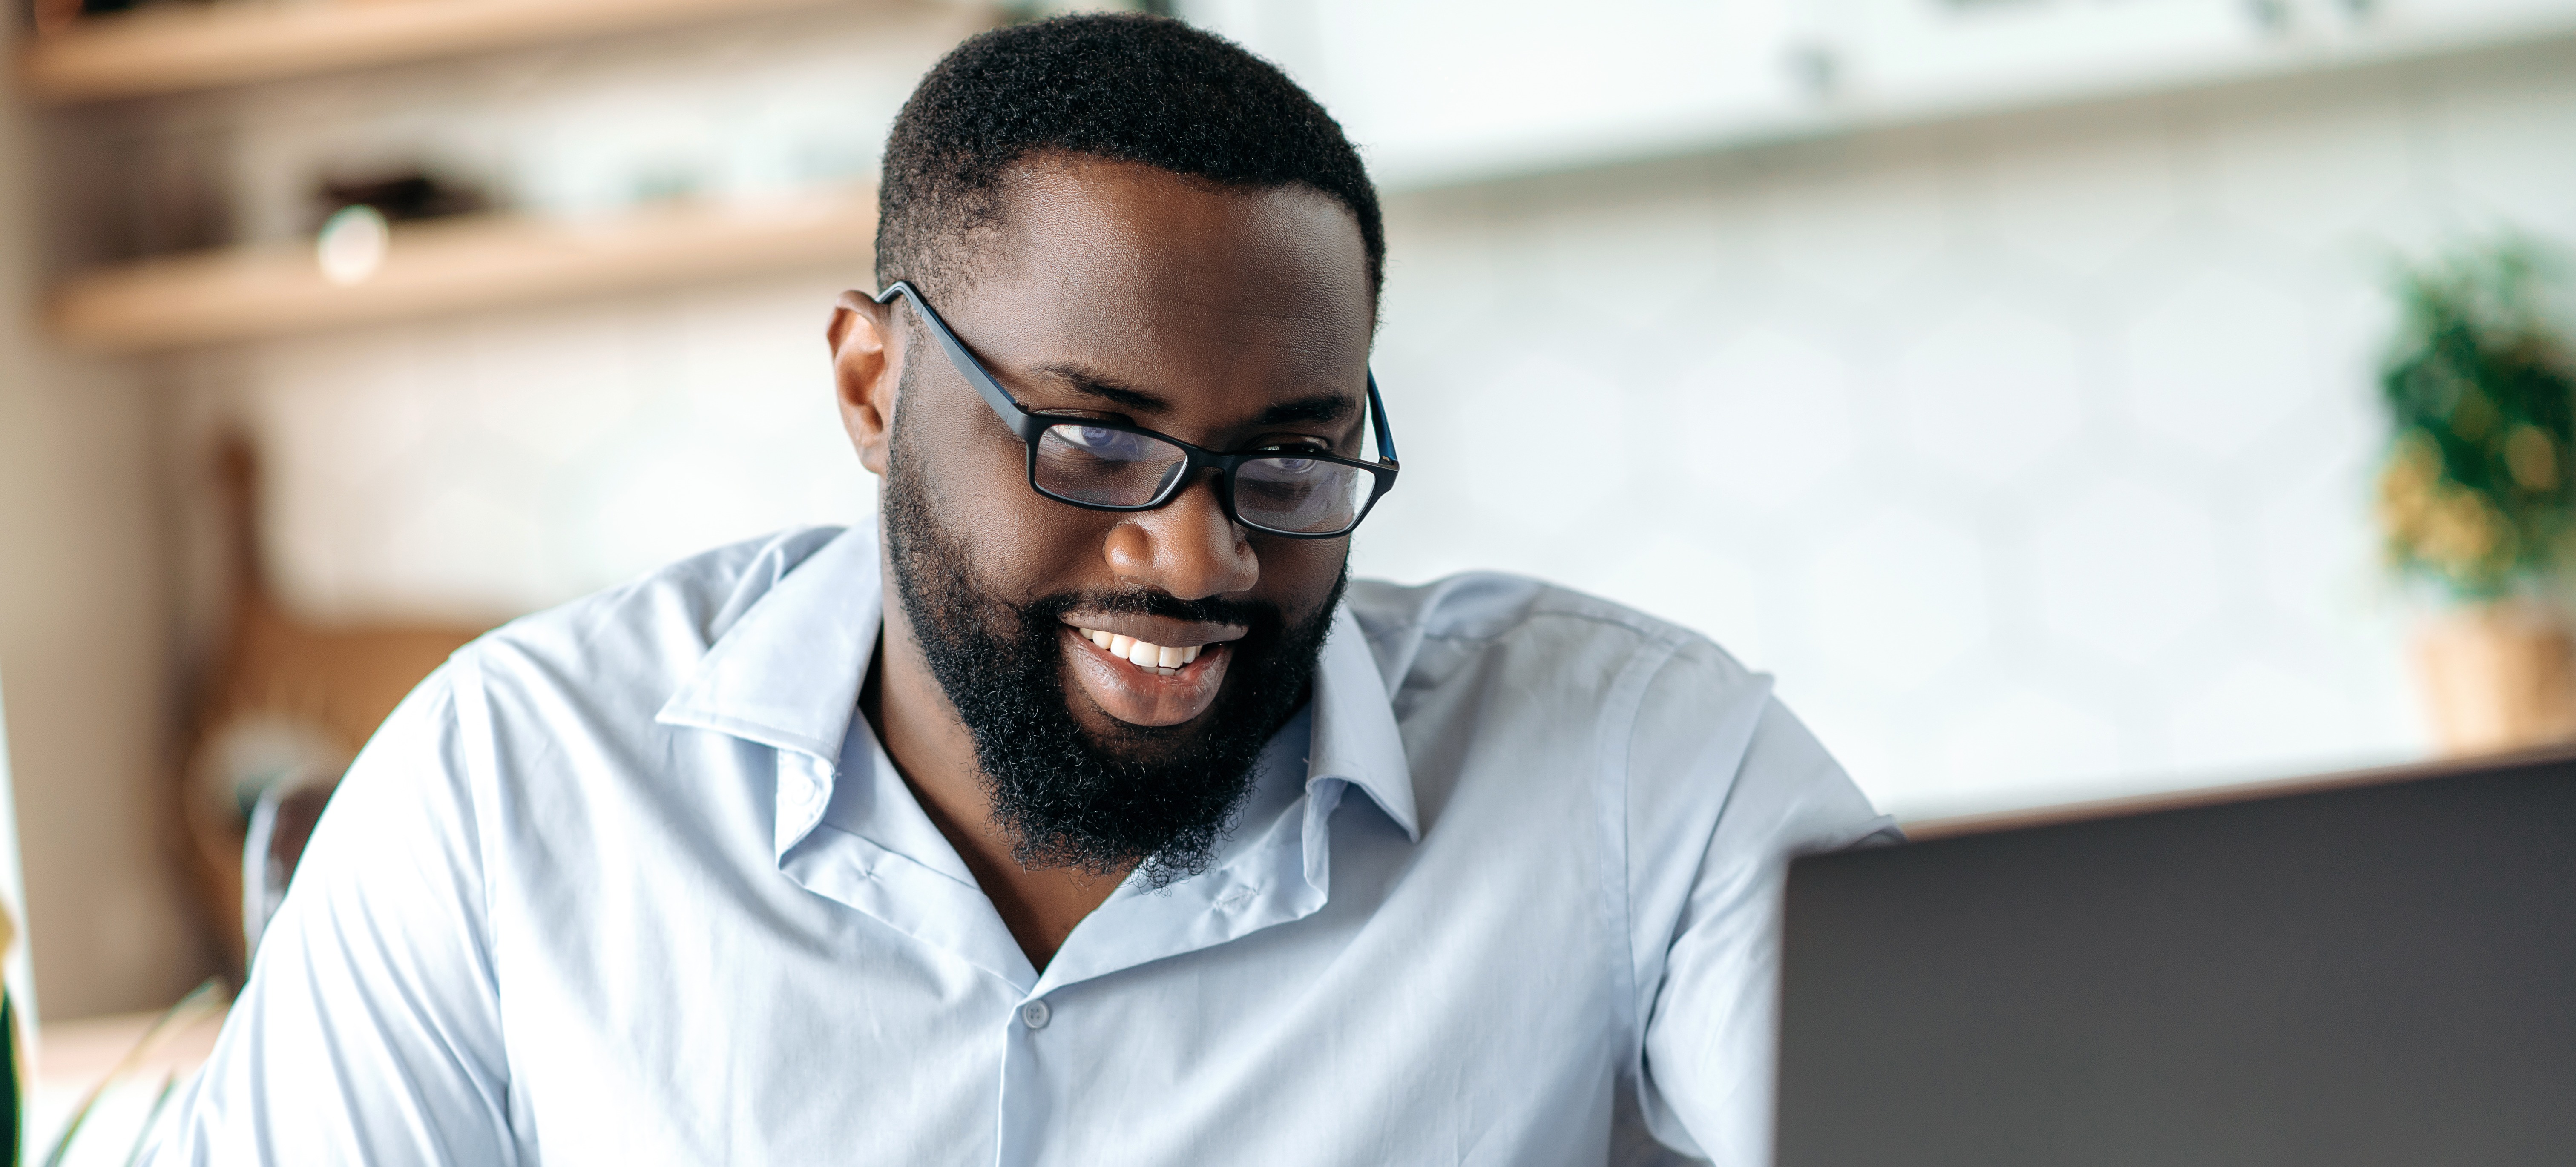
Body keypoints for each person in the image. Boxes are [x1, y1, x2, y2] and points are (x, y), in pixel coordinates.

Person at [149, 14, 1895, 1167]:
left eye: (1289, 461)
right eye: (1098, 444)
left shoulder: (1632, 768)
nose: (1197, 558)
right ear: (872, 387)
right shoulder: (516, 786)